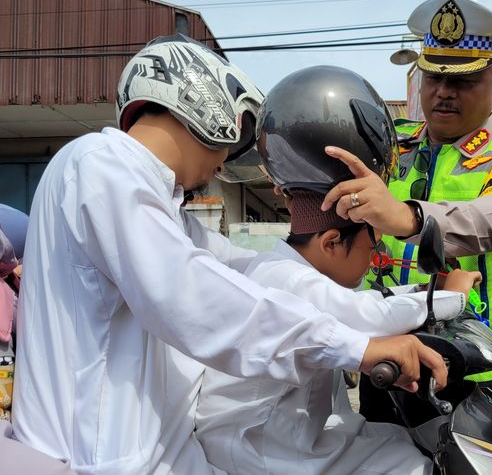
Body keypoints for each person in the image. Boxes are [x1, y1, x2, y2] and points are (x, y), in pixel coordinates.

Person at [11, 35, 447, 474]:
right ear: (206, 107)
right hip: (97, 460)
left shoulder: (157, 206)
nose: (221, 164)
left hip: (153, 456)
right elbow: (195, 298)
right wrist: (356, 347)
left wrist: (421, 301)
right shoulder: (101, 164)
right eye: (229, 143)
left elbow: (255, 271)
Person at [195, 65, 481, 475]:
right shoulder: (290, 281)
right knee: (414, 463)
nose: (376, 253)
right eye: (372, 241)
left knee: (404, 442)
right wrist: (450, 294)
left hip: (286, 435)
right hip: (264, 453)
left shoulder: (278, 270)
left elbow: (356, 303)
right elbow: (367, 315)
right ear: (331, 242)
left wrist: (419, 288)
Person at [320, 0, 492, 421]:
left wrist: (411, 218)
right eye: (433, 77)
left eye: (462, 81)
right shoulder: (391, 145)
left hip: (478, 357)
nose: (443, 91)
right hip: (389, 347)